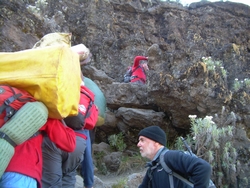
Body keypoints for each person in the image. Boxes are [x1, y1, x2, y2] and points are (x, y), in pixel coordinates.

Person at [0, 118, 76, 188]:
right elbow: (69, 143)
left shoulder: (7, 103)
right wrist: (62, 120)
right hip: (22, 171)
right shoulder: (41, 112)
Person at [137, 125, 212, 188]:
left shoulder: (170, 157)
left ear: (156, 142)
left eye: (142, 140)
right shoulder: (152, 169)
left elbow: (203, 167)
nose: (138, 144)